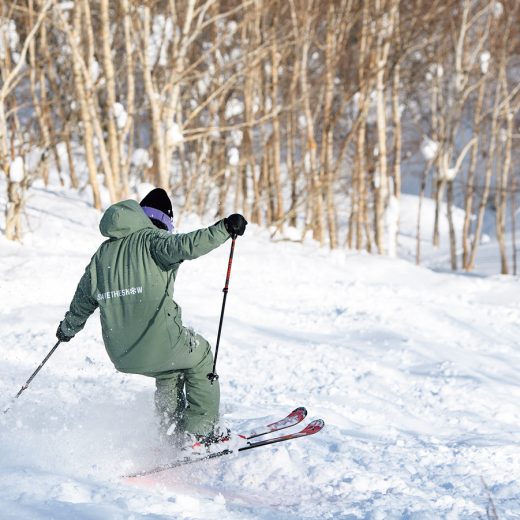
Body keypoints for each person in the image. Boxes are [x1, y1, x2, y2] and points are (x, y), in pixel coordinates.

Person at [56, 188, 247, 446]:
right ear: (164, 221)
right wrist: (224, 228)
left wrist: (67, 329)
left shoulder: (103, 254)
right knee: (200, 356)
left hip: (121, 353)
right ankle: (200, 433)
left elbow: (82, 300)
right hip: (158, 343)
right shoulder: (153, 241)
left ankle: (169, 435)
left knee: (169, 371)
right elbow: (188, 244)